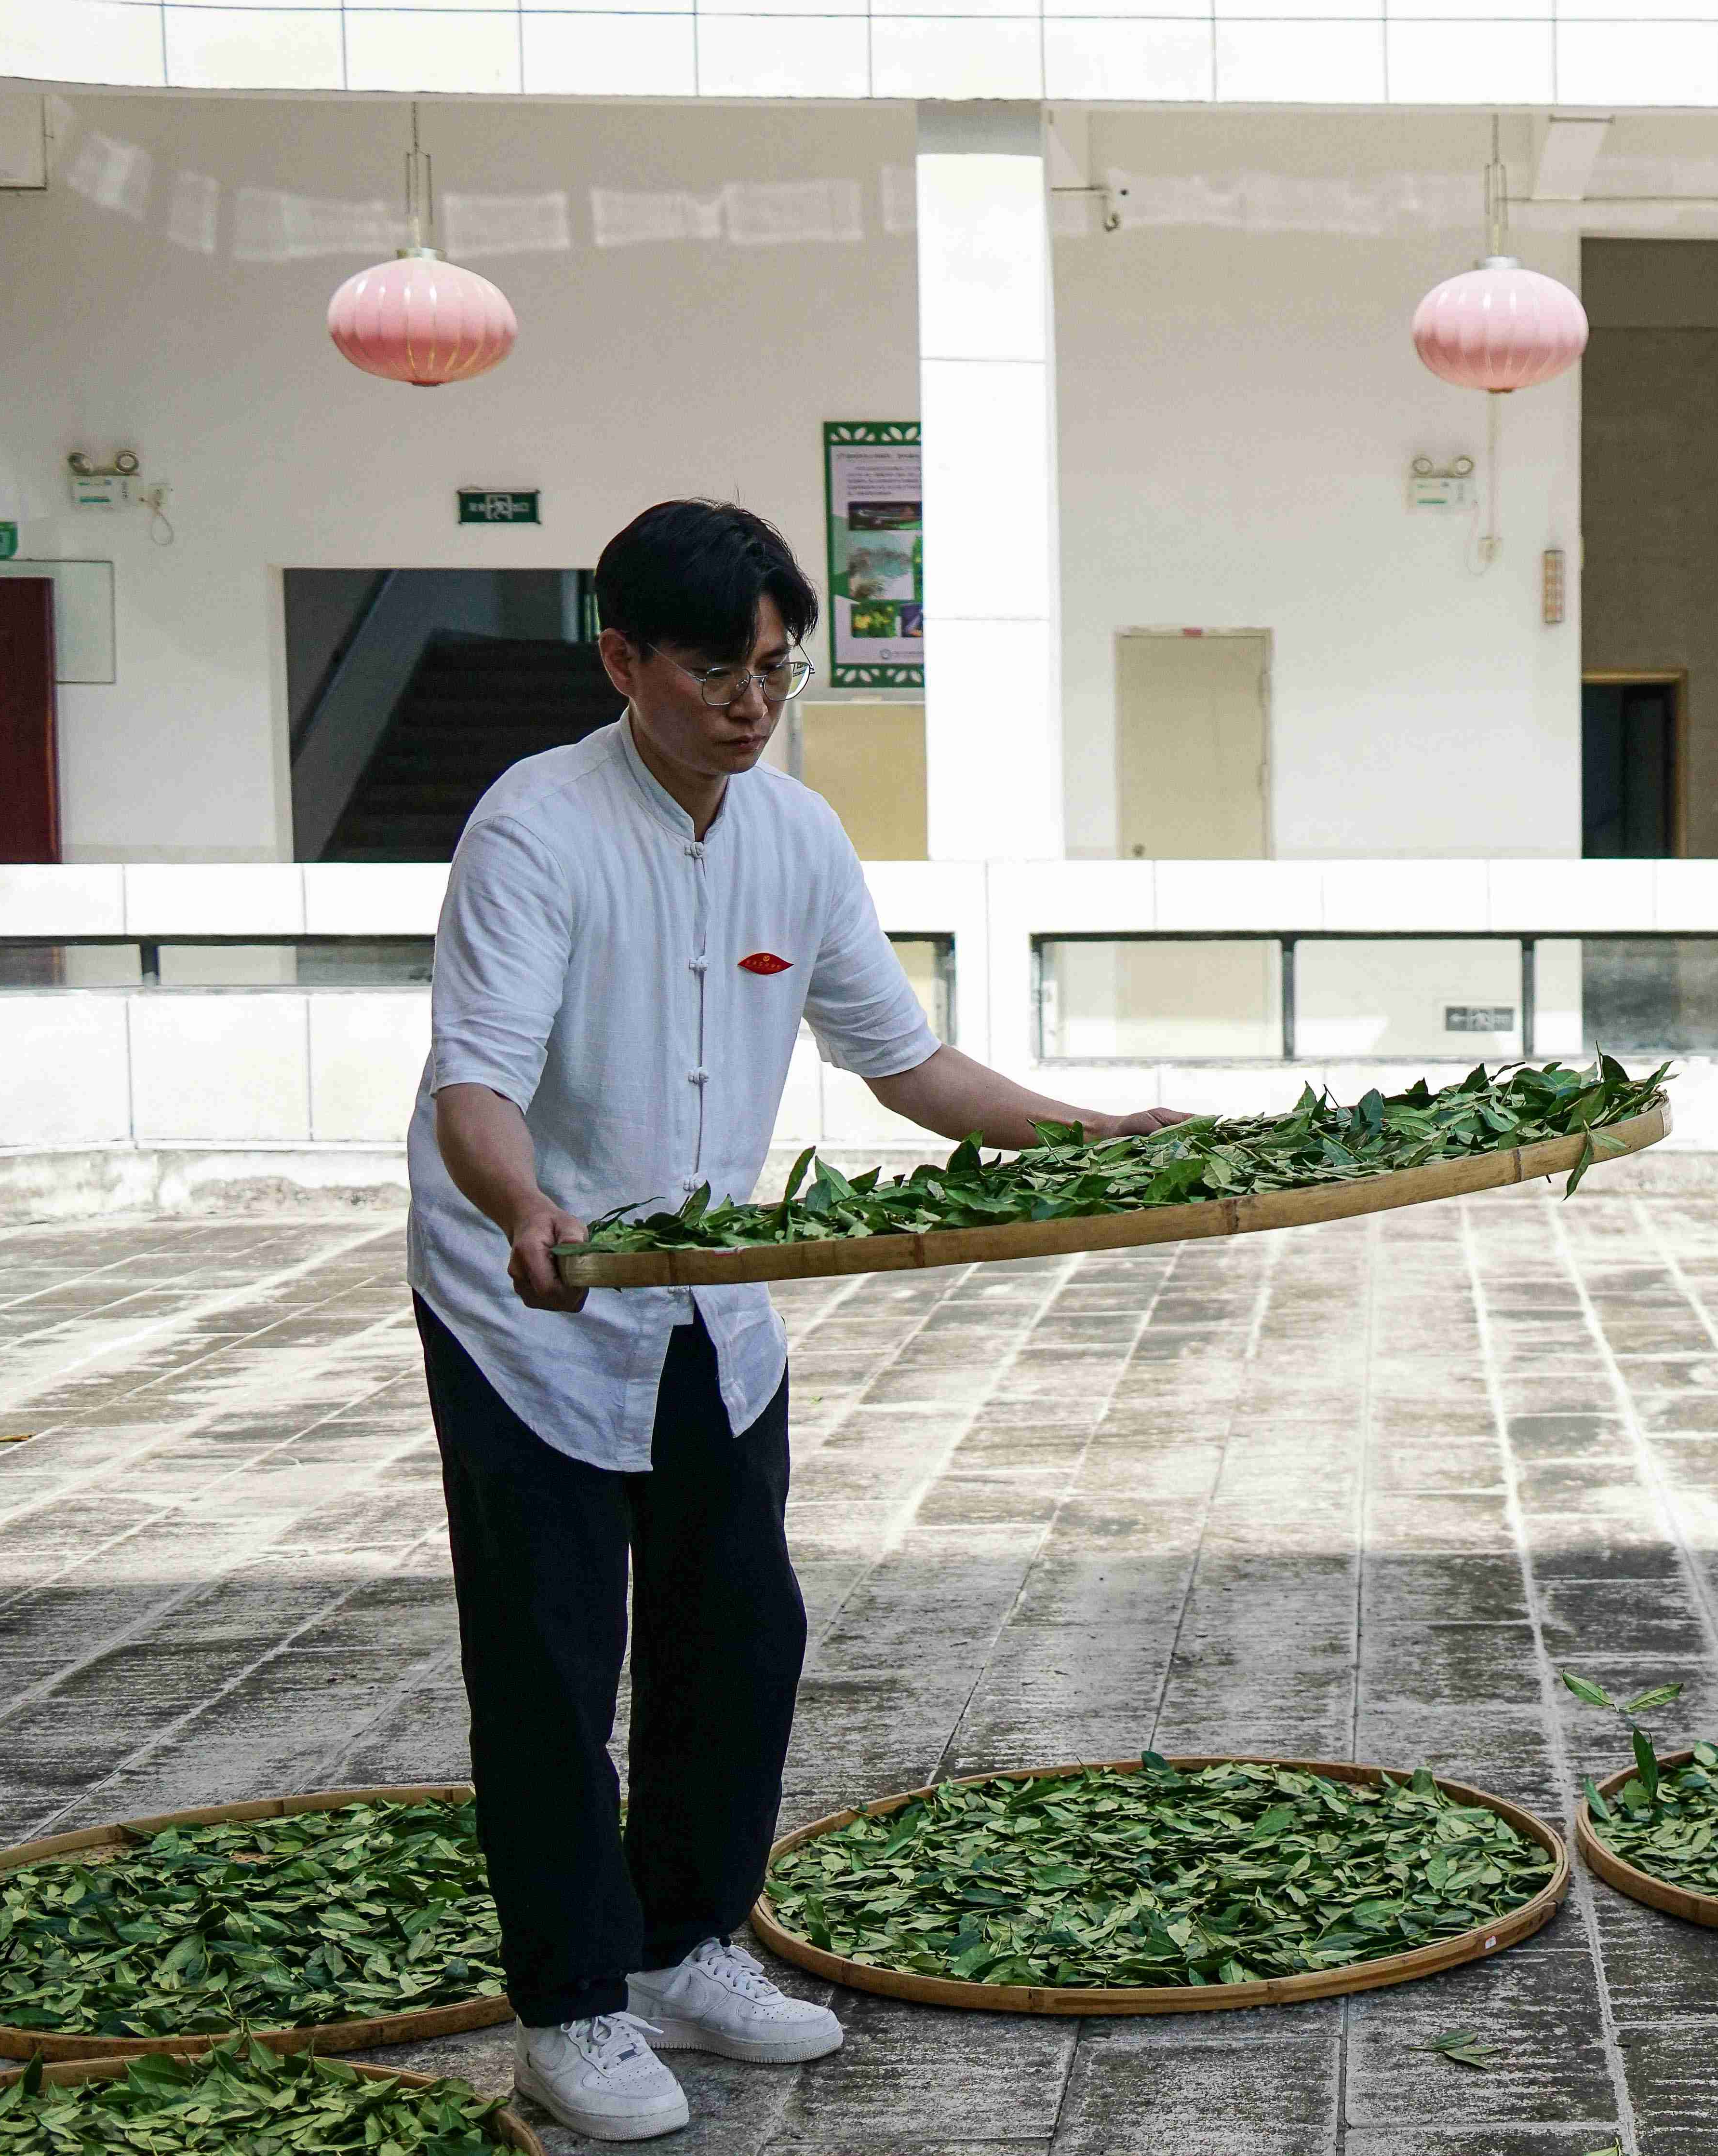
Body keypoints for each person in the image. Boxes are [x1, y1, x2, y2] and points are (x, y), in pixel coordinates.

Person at [408, 500, 1182, 2139]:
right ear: (623, 659)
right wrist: (524, 1211)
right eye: (716, 670)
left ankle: (689, 1946)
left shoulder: (797, 837)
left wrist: (1089, 1137)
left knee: (740, 1635)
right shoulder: (534, 828)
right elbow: (475, 1077)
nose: (755, 703)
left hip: (710, 1308)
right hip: (530, 1310)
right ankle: (569, 2008)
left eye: (779, 668)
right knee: (552, 1669)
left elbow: (904, 1061)